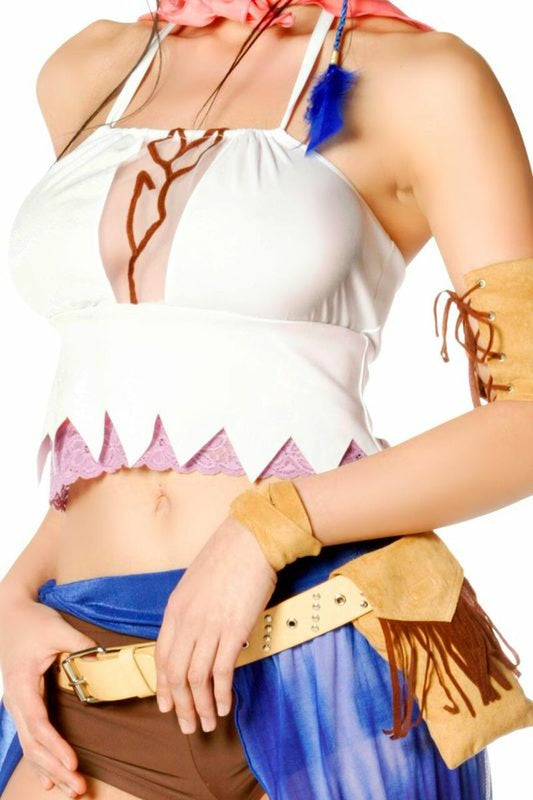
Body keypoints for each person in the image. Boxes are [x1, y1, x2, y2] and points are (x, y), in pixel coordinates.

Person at [1, 0, 532, 798]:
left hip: (325, 666)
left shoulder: (423, 79)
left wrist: (264, 532)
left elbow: (525, 421)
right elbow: (131, 398)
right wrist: (14, 593)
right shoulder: (91, 67)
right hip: (87, 671)